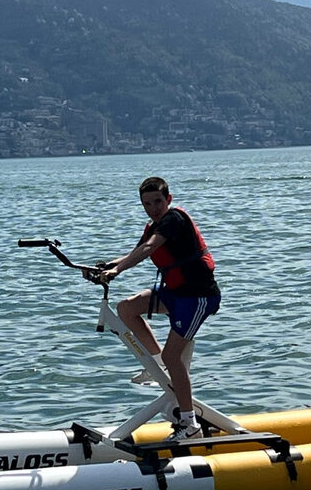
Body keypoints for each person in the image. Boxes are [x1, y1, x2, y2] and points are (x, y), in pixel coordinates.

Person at [86, 176, 221, 441]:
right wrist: (104, 267)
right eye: (147, 204)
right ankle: (158, 365)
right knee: (126, 308)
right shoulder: (153, 226)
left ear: (168, 199)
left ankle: (190, 424)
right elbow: (135, 252)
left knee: (174, 356)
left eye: (158, 202)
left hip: (198, 297)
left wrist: (116, 271)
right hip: (175, 294)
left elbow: (149, 249)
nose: (153, 209)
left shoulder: (173, 220)